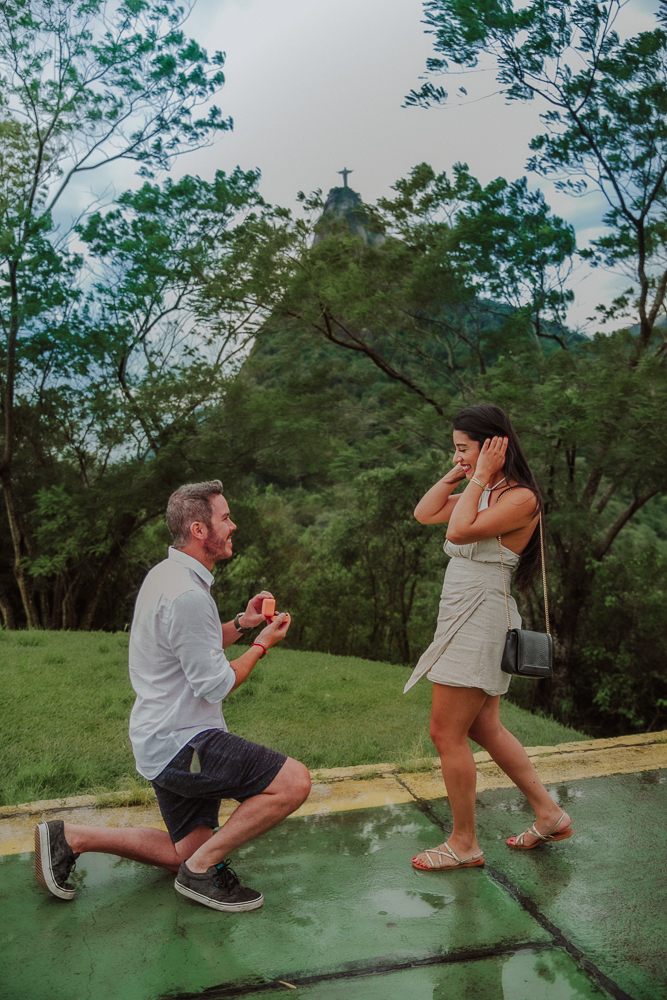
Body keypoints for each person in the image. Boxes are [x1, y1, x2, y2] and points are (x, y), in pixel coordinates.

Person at [34, 480, 311, 912]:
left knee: (186, 852)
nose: (233, 525)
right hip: (185, 742)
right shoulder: (186, 594)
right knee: (293, 782)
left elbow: (197, 647)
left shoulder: (169, 576)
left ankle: (71, 836)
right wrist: (263, 646)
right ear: (200, 530)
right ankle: (201, 874)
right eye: (225, 518)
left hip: (161, 738)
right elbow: (216, 682)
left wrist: (244, 623)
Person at [405, 404, 572, 871]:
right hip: (464, 610)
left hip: (481, 616)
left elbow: (458, 530)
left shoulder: (519, 499)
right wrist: (461, 471)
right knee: (484, 727)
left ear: (493, 446)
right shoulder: (487, 489)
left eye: (463, 446)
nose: (456, 454)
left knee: (445, 732)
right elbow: (425, 513)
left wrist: (479, 476)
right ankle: (549, 813)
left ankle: (464, 843)